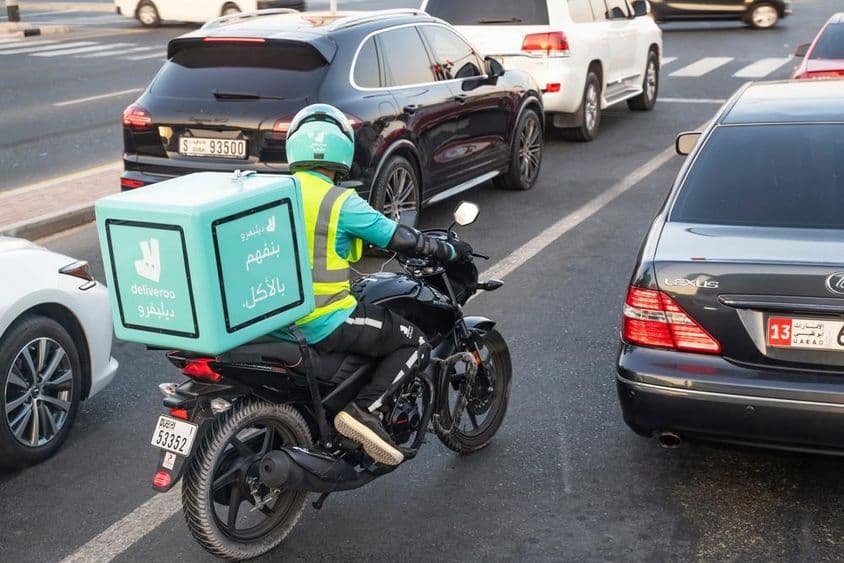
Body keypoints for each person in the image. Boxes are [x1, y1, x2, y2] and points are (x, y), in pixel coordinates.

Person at [273, 104, 472, 466]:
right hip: (324, 320)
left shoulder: (271, 192)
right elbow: (397, 236)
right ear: (342, 150)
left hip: (274, 319)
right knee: (413, 341)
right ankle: (363, 410)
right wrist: (444, 248)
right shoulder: (340, 201)